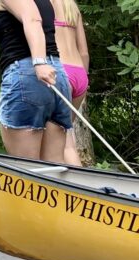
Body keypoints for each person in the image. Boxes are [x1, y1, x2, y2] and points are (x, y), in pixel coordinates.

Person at [0, 0, 72, 163]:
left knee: (27, 167)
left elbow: (32, 19)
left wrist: (39, 62)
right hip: (57, 73)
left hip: (29, 74)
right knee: (54, 164)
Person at [51, 0, 90, 166]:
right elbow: (84, 52)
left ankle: (77, 187)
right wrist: (84, 79)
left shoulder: (44, 5)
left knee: (63, 143)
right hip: (80, 73)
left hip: (60, 70)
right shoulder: (72, 6)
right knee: (67, 135)